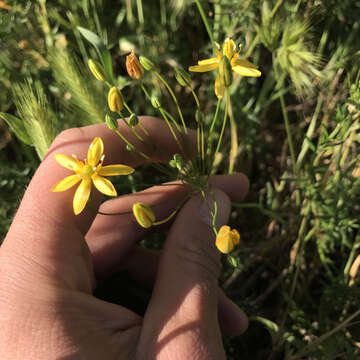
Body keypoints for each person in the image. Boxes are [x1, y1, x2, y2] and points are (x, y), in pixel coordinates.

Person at [0, 117, 250, 359]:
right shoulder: (90, 185)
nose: (87, 165)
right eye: (85, 165)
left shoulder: (100, 173)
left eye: (90, 164)